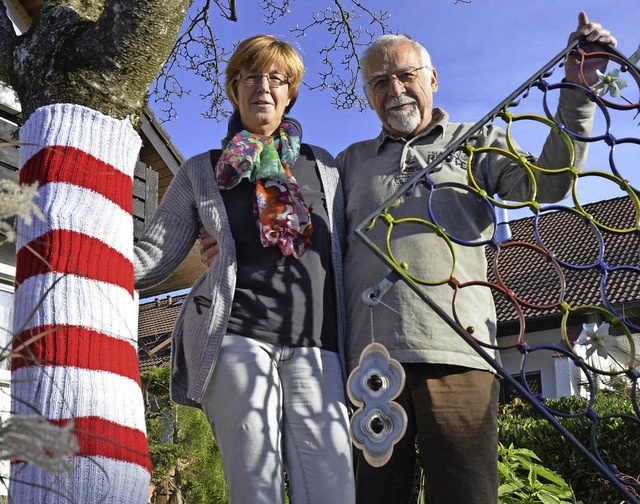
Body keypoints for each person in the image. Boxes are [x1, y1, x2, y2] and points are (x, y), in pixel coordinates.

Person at [334, 11, 616, 504]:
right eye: (379, 81)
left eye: (405, 75)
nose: (394, 88)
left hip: (461, 353)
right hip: (370, 362)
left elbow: (548, 182)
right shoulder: (348, 163)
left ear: (433, 80)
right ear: (367, 94)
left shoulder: (477, 140)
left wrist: (577, 92)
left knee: (466, 495)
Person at [134, 34, 355, 504]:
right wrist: (78, 263)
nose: (264, 87)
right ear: (234, 88)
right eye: (251, 76)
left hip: (320, 344)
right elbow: (153, 254)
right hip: (236, 335)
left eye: (278, 78)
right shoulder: (203, 170)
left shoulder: (325, 168)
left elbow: (356, 247)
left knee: (333, 487)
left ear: (291, 91)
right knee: (256, 488)